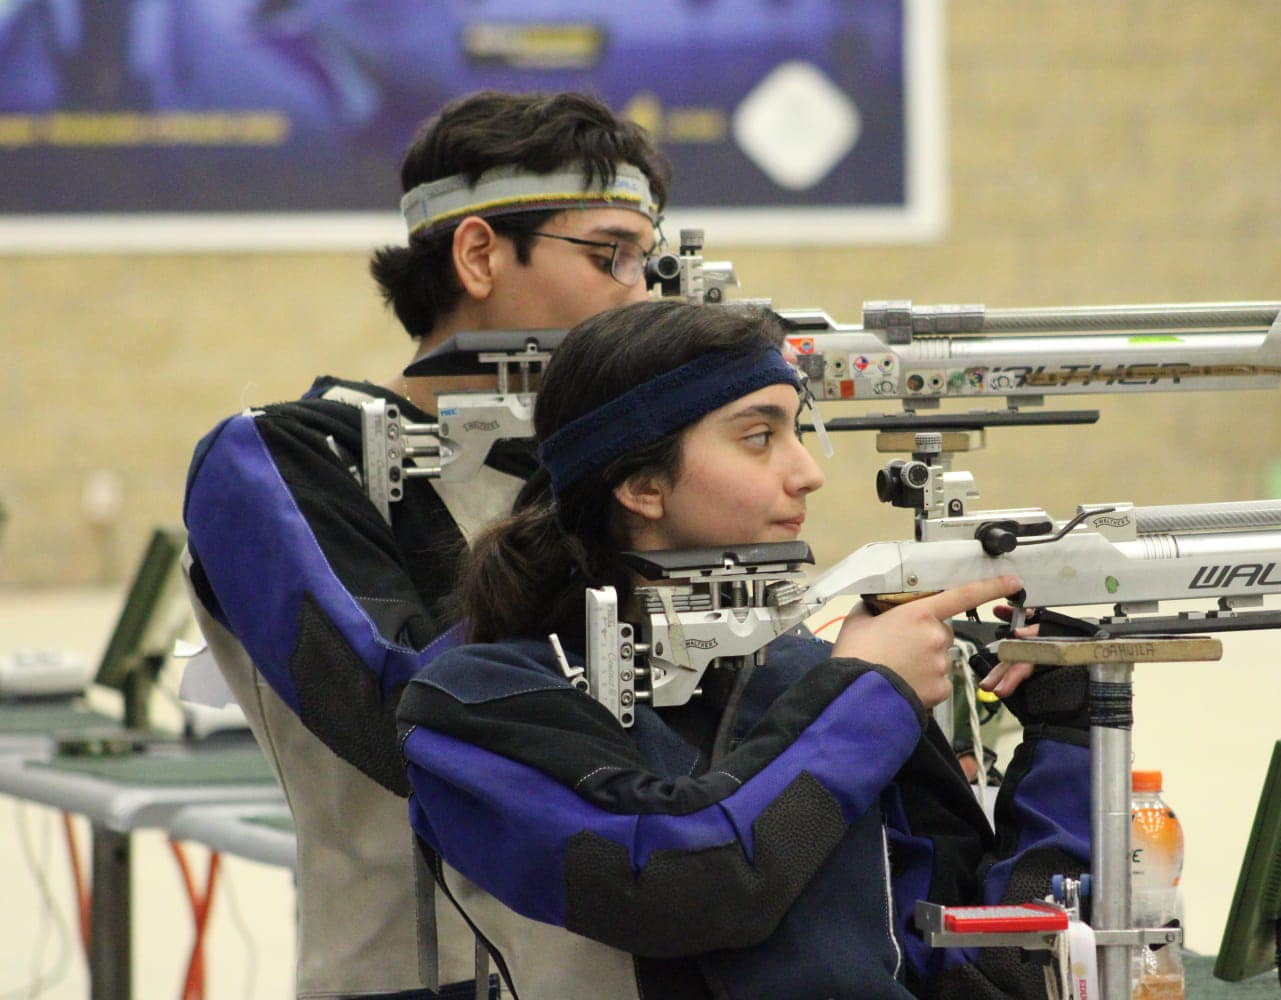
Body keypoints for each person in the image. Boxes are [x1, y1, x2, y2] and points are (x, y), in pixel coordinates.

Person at [397, 299, 1092, 999]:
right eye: (760, 437)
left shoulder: (813, 678)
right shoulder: (474, 707)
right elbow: (683, 884)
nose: (808, 472)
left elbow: (988, 967)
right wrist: (867, 692)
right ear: (642, 486)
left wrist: (1063, 731)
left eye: (798, 430)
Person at [181, 90, 671, 999]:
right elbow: (405, 711)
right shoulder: (285, 458)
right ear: (479, 254)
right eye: (612, 256)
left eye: (653, 262)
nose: (640, 296)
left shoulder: (613, 471)